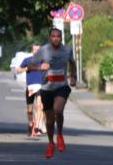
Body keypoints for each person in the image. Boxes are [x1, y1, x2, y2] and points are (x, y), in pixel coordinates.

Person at [27, 29, 76, 157]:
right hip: (47, 88)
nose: (56, 38)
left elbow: (72, 62)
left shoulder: (67, 50)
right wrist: (39, 67)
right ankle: (50, 143)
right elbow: (30, 66)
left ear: (61, 38)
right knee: (49, 119)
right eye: (53, 36)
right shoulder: (43, 50)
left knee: (58, 110)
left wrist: (73, 76)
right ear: (50, 37)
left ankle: (59, 135)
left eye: (58, 36)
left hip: (61, 86)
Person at [16, 44, 46, 137]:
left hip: (40, 86)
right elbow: (18, 70)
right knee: (30, 110)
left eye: (38, 50)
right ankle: (30, 124)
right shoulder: (27, 60)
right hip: (30, 87)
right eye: (35, 49)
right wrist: (25, 68)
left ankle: (37, 128)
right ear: (32, 50)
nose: (36, 51)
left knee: (39, 107)